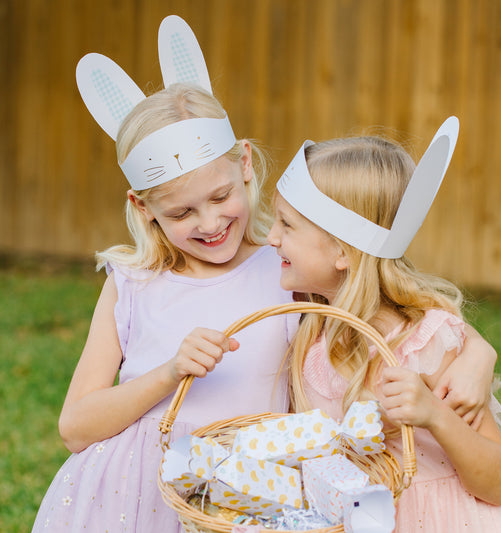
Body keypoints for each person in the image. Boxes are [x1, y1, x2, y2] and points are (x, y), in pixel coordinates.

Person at [31, 16, 297, 532]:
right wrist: (170, 372)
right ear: (143, 206)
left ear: (244, 161)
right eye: (181, 213)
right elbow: (75, 427)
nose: (210, 222)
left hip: (247, 495)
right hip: (132, 501)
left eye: (221, 197)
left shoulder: (284, 267)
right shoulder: (133, 282)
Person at [266, 117, 501, 531]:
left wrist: (434, 414)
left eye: (287, 224)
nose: (271, 237)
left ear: (342, 251)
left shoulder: (426, 344)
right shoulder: (311, 331)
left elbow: (497, 484)